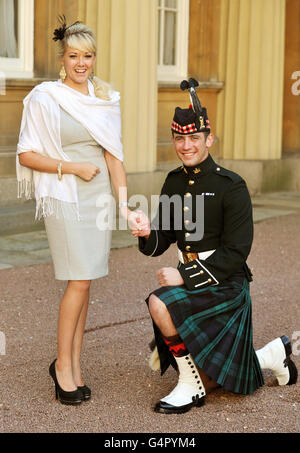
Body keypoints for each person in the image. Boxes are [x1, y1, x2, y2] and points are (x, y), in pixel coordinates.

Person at [132, 83, 298, 414]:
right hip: (195, 278)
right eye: (180, 138)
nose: (186, 145)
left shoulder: (231, 185)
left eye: (194, 138)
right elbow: (160, 241)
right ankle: (271, 356)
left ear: (209, 139)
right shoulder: (173, 182)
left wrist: (184, 276)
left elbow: (237, 251)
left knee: (159, 303)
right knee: (225, 372)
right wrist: (146, 231)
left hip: (226, 282)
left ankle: (190, 383)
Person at [16, 17, 139, 405]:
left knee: (86, 282)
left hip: (98, 196)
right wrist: (71, 167)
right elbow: (25, 154)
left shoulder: (105, 99)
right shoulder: (44, 97)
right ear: (62, 58)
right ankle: (62, 368)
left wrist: (123, 205)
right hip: (65, 196)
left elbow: (114, 156)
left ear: (94, 58)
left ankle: (74, 364)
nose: (81, 63)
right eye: (73, 56)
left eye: (87, 56)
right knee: (79, 280)